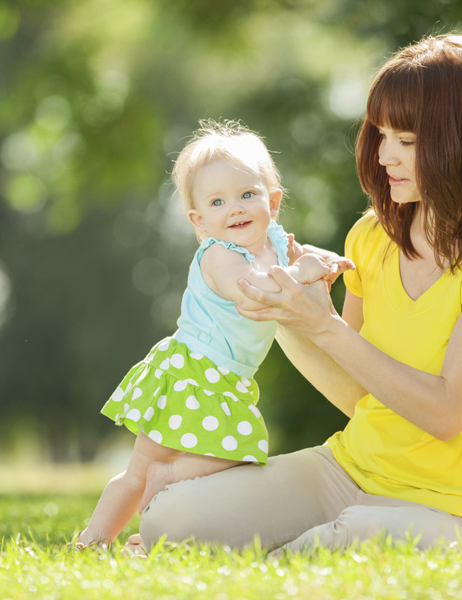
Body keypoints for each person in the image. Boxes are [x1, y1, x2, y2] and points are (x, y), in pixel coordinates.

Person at [134, 33, 462, 556]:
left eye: (406, 140)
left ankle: (287, 555)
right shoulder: (372, 236)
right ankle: (287, 549)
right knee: (167, 521)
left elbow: (447, 414)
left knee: (350, 537)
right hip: (346, 470)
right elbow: (358, 398)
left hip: (447, 506)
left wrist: (324, 325)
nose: (384, 157)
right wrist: (289, 311)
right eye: (381, 136)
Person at [75, 120, 355, 549]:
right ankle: (93, 540)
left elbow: (300, 259)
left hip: (229, 379)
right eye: (218, 202)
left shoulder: (276, 244)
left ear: (273, 202)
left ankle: (164, 482)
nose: (236, 209)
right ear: (199, 220)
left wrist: (325, 260)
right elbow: (254, 293)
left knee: (235, 453)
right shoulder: (221, 256)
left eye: (247, 195)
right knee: (139, 473)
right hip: (192, 368)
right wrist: (301, 273)